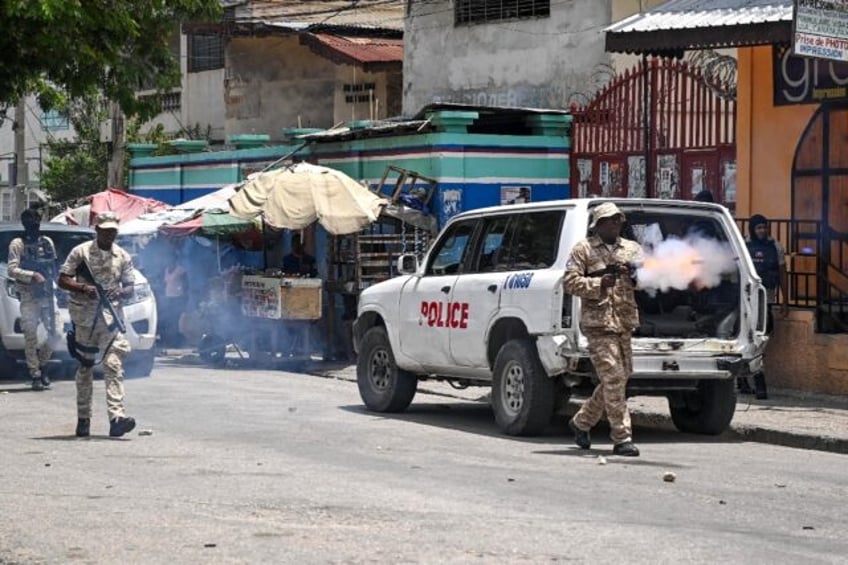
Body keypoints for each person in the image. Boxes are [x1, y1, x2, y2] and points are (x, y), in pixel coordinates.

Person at [563, 202, 644, 457]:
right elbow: (570, 282)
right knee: (613, 378)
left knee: (622, 375)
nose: (614, 223)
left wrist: (633, 276)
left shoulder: (632, 249)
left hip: (623, 321)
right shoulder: (583, 249)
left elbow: (646, 279)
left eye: (617, 220)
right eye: (608, 220)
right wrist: (599, 282)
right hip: (598, 324)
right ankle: (622, 437)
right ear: (597, 225)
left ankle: (582, 422)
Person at [58, 211, 137, 438]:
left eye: (113, 231)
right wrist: (84, 288)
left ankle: (117, 418)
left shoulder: (122, 256)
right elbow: (63, 279)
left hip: (110, 320)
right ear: (97, 230)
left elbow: (130, 286)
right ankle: (84, 418)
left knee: (113, 364)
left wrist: (120, 291)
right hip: (84, 319)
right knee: (85, 367)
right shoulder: (80, 252)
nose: (110, 235)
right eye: (106, 231)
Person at [7, 204, 60, 390]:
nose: (35, 224)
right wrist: (31, 275)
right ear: (24, 223)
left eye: (37, 220)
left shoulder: (47, 242)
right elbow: (12, 269)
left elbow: (54, 265)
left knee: (57, 333)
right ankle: (35, 374)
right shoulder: (17, 244)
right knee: (30, 337)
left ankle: (42, 364)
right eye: (31, 221)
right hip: (28, 295)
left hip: (47, 293)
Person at [742, 214, 788, 400]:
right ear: (753, 229)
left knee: (762, 338)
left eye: (764, 227)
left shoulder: (775, 247)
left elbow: (783, 272)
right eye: (758, 228)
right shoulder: (744, 246)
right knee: (748, 339)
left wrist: (786, 298)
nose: (762, 231)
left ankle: (753, 374)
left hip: (766, 300)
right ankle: (751, 380)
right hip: (746, 302)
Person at [162, 253, 188, 347]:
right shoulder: (166, 270)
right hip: (169, 297)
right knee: (170, 320)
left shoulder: (180, 269)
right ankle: (171, 341)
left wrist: (184, 291)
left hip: (178, 298)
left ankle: (178, 342)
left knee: (177, 320)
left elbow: (186, 280)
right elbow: (166, 282)